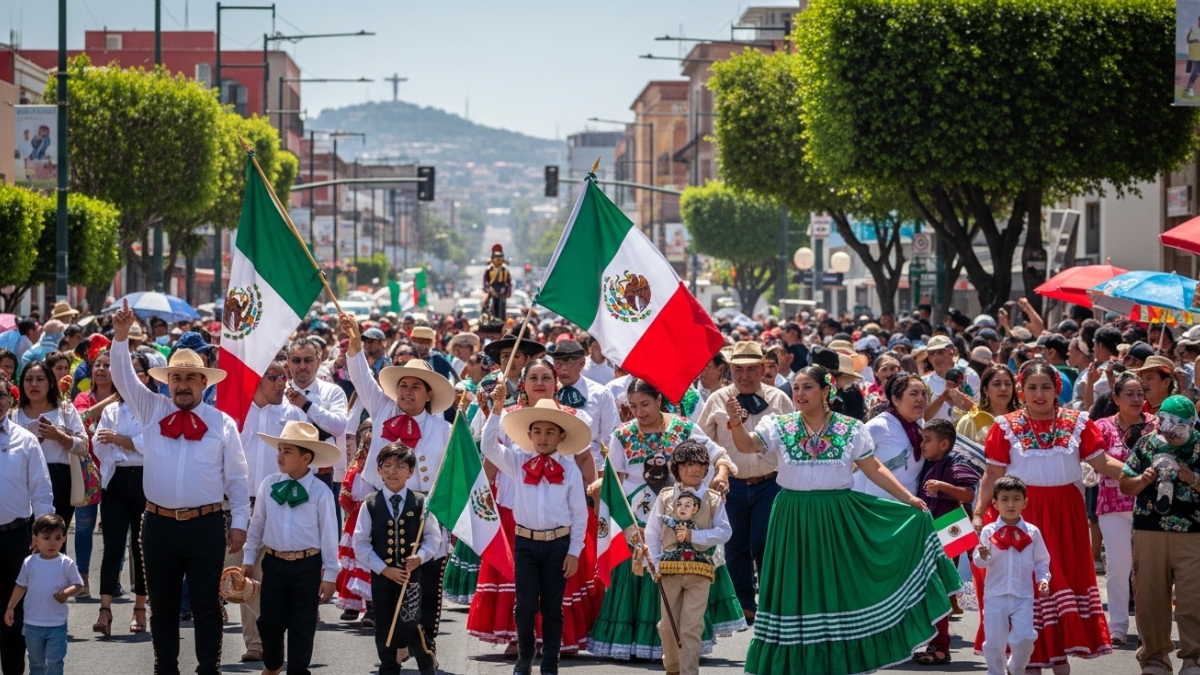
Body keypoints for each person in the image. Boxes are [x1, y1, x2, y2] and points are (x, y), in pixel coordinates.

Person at [725, 365, 961, 675]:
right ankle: (793, 663)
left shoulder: (850, 428)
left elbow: (873, 467)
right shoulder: (780, 425)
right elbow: (747, 445)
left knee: (836, 586)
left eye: (807, 387)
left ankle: (836, 660)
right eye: (795, 388)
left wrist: (908, 498)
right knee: (796, 586)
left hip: (835, 515)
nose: (798, 394)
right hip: (791, 515)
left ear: (826, 391)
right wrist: (735, 421)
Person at [109, 301, 251, 675]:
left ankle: (209, 668)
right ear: (166, 381)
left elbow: (237, 478)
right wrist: (120, 337)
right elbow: (122, 377)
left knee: (206, 604)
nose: (183, 384)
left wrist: (240, 522)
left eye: (191, 378)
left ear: (205, 383)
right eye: (176, 378)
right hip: (158, 525)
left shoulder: (222, 424)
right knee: (164, 605)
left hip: (206, 526)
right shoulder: (151, 408)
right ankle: (165, 668)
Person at [972, 361, 1125, 672]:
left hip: (1066, 515)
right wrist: (978, 512)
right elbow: (992, 476)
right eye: (1031, 388)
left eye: (1046, 387)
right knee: (1027, 586)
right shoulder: (1005, 427)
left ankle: (1058, 657)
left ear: (1057, 390)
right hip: (1022, 512)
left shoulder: (1078, 422)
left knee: (1057, 582)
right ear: (1021, 391)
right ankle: (1030, 660)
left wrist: (1140, 474)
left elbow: (1104, 463)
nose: (1039, 394)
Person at [588, 378, 741, 660]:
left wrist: (720, 474)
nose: (639, 412)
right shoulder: (622, 435)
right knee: (642, 572)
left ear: (659, 400)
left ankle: (681, 643)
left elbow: (718, 453)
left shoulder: (683, 428)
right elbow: (617, 480)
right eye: (632, 406)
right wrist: (605, 493)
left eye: (645, 404)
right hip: (639, 515)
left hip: (680, 516)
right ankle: (641, 643)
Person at [342, 313, 455, 654]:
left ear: (428, 393)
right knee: (388, 577)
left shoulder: (444, 429)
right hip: (383, 506)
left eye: (415, 386)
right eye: (403, 385)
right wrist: (355, 345)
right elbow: (361, 377)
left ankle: (426, 641)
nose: (407, 392)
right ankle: (391, 643)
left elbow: (451, 476)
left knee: (427, 578)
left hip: (425, 510)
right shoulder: (382, 409)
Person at [481, 392, 591, 675]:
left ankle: (551, 663)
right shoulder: (517, 462)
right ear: (529, 435)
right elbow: (488, 446)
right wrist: (495, 410)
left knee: (553, 608)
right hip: (525, 543)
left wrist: (574, 551)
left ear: (561, 437)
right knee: (525, 605)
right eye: (538, 432)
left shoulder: (570, 470)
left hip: (557, 544)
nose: (543, 438)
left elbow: (579, 514)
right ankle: (525, 656)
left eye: (550, 432)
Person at [694, 341, 793, 625]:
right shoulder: (717, 399)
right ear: (730, 371)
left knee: (765, 541)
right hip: (732, 483)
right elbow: (703, 441)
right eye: (739, 370)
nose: (745, 376)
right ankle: (745, 604)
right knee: (735, 543)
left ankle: (771, 603)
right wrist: (712, 474)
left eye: (752, 369)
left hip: (770, 483)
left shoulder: (779, 399)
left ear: (763, 369)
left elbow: (791, 439)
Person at [242, 421, 340, 675]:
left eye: (287, 451)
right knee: (269, 621)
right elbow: (257, 525)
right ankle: (272, 665)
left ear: (306, 457)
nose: (280, 456)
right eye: (279, 450)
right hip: (273, 564)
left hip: (307, 565)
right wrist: (248, 558)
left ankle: (298, 670)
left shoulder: (320, 492)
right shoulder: (269, 484)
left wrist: (330, 574)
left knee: (302, 624)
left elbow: (330, 534)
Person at [1119, 394, 1200, 675]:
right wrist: (1145, 478)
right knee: (1150, 597)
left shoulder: (1199, 445)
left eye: (1177, 425)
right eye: (1164, 422)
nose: (1168, 430)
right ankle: (1154, 660)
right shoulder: (1147, 443)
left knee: (1193, 597)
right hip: (1149, 529)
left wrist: (1189, 476)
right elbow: (1125, 484)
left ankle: (1194, 659)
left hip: (1193, 531)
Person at [231, 358, 306, 661]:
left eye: (283, 377)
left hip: (278, 506)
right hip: (238, 506)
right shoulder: (234, 412)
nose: (281, 383)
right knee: (237, 574)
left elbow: (305, 465)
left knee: (262, 575)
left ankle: (259, 642)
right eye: (273, 376)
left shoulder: (294, 416)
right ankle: (259, 636)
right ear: (255, 380)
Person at [352, 442, 443, 675]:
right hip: (382, 577)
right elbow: (360, 543)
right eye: (387, 465)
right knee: (385, 626)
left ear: (410, 472)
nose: (393, 471)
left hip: (411, 577)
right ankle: (389, 667)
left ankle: (426, 662)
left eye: (400, 466)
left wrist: (420, 557)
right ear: (379, 469)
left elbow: (433, 538)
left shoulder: (421, 502)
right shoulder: (370, 504)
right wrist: (383, 569)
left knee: (409, 623)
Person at [644, 442, 732, 675]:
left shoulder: (713, 499)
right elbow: (652, 533)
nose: (694, 470)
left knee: (691, 627)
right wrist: (654, 563)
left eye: (700, 465)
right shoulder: (665, 497)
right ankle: (673, 668)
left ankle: (689, 671)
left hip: (699, 572)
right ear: (677, 469)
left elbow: (725, 532)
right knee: (668, 626)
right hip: (669, 570)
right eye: (688, 465)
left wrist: (696, 535)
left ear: (706, 469)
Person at [89, 350, 154, 637]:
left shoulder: (153, 406)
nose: (132, 377)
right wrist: (123, 444)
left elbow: (150, 444)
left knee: (140, 548)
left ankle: (140, 607)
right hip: (115, 482)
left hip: (144, 481)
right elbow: (100, 446)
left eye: (138, 371)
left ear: (146, 376)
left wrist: (121, 441)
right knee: (113, 547)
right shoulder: (112, 409)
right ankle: (105, 608)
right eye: (127, 371)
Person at [0, 372, 55, 675]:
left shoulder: (26, 440)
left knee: (13, 614)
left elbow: (42, 492)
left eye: (1, 395)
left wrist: (44, 537)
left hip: (14, 537)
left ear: (9, 398)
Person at [914, 418, 980, 665]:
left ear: (944, 444)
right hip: (936, 526)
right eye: (922, 439)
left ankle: (941, 647)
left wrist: (943, 486)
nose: (922, 444)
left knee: (941, 587)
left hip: (951, 524)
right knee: (933, 587)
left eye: (927, 440)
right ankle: (934, 642)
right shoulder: (927, 464)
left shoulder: (953, 464)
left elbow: (968, 493)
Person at [1091, 372, 1149, 644]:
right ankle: (1117, 627)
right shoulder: (1101, 426)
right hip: (1113, 506)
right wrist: (1135, 475)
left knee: (1148, 569)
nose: (1137, 399)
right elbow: (1097, 460)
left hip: (1150, 507)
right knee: (1117, 566)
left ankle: (1148, 627)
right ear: (1115, 398)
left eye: (1141, 393)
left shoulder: (1156, 425)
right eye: (1130, 394)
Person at [974, 476, 1052, 675]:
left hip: (1023, 595)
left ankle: (1016, 667)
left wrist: (1043, 579)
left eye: (1016, 499)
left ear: (1024, 502)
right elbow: (980, 561)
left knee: (1025, 638)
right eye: (1005, 499)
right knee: (994, 643)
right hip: (995, 594)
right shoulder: (989, 531)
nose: (1010, 504)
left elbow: (1042, 560)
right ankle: (995, 672)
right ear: (995, 503)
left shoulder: (1032, 532)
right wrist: (983, 555)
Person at [15, 360, 88, 552]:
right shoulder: (14, 414)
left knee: (53, 542)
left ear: (50, 383)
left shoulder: (65, 409)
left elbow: (84, 446)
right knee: (24, 540)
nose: (34, 384)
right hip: (21, 481)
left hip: (59, 480)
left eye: (40, 379)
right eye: (28, 379)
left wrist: (59, 436)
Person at [3, 514, 83, 675]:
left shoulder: (66, 563)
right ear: (36, 539)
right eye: (46, 538)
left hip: (57, 624)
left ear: (64, 539)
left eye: (57, 537)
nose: (52, 543)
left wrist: (67, 592)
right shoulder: (30, 562)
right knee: (37, 664)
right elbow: (21, 586)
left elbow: (78, 584)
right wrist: (10, 607)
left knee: (55, 661)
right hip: (33, 624)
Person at [286, 336, 351, 517]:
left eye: (308, 360)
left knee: (327, 538)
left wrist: (306, 405)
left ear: (318, 361)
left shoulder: (332, 392)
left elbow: (338, 426)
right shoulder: (279, 394)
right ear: (288, 362)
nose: (302, 366)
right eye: (297, 360)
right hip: (287, 477)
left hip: (326, 477)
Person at [855, 372, 928, 498]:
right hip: (877, 508)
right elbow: (851, 463)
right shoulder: (878, 426)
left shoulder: (922, 426)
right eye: (913, 394)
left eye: (923, 393)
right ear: (895, 399)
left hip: (909, 509)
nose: (921, 398)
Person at [552, 339, 620, 471]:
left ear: (582, 362)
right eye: (558, 363)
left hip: (591, 466)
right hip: (554, 467)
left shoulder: (600, 394)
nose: (563, 368)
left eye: (568, 362)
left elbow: (611, 439)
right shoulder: (548, 391)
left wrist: (606, 474)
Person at [337, 419, 376, 624]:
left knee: (368, 561)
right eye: (366, 443)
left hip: (374, 516)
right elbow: (344, 496)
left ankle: (372, 607)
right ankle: (352, 603)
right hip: (356, 518)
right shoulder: (356, 467)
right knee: (353, 562)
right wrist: (354, 511)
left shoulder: (382, 466)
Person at [956, 364, 1018, 444]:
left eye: (1007, 384)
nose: (1003, 388)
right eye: (997, 384)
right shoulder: (970, 421)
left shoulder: (1022, 421)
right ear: (985, 390)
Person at [924, 335, 979, 422]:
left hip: (965, 433)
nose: (936, 357)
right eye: (932, 354)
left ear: (953, 353)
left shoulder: (969, 375)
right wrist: (942, 398)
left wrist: (960, 396)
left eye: (941, 352)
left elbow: (979, 409)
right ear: (930, 359)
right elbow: (922, 417)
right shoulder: (924, 383)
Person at [482, 244, 513, 326]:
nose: (498, 259)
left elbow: (509, 282)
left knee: (501, 306)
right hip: (492, 291)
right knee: (487, 305)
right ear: (492, 259)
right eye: (496, 257)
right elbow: (485, 281)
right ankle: (489, 320)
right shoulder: (489, 270)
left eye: (500, 257)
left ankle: (501, 321)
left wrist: (506, 289)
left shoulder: (505, 270)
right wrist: (489, 289)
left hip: (501, 291)